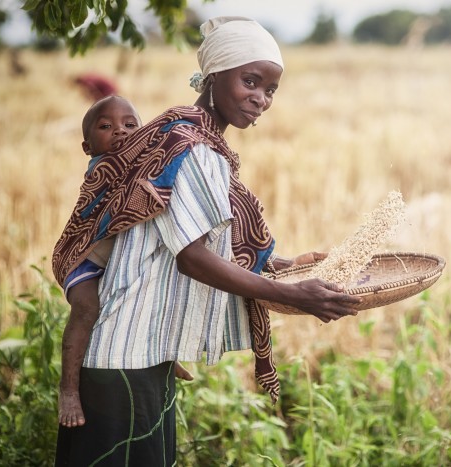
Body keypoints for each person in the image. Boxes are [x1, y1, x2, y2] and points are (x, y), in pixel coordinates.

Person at [53, 16, 360, 466]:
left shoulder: (185, 137)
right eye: (250, 81)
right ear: (214, 76)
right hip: (123, 355)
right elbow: (192, 258)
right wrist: (291, 294)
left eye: (270, 89)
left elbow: (204, 241)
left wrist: (290, 264)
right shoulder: (193, 148)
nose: (260, 98)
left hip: (143, 352)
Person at [58, 95, 193, 429]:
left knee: (155, 291)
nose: (119, 131)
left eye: (130, 125)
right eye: (106, 126)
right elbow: (128, 197)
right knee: (87, 309)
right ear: (87, 146)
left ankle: (165, 353)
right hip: (85, 261)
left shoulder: (139, 163)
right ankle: (69, 389)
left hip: (117, 260)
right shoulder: (103, 168)